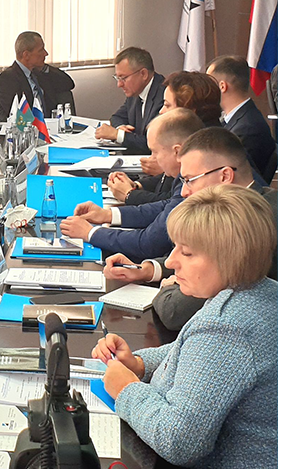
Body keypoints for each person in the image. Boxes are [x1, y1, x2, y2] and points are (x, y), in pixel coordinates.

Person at [92, 185, 277, 469]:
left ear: (230, 257)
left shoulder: (226, 327)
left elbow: (178, 441)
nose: (170, 262)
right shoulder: (264, 292)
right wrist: (139, 364)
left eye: (187, 253)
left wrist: (126, 389)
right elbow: (193, 351)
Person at [103, 127, 278, 331]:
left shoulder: (243, 225)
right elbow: (197, 255)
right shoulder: (266, 200)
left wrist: (167, 288)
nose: (185, 191)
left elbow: (174, 310)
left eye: (190, 180)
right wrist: (148, 270)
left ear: (225, 176)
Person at [60, 109, 202, 263]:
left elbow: (148, 243)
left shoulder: (192, 182)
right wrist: (108, 215)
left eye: (155, 152)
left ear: (177, 151)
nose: (152, 158)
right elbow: (164, 207)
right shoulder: (183, 177)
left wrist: (90, 233)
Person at [106, 71, 222, 205]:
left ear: (188, 110)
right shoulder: (198, 136)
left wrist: (130, 195)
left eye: (167, 105)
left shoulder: (205, 150)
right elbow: (164, 180)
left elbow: (173, 201)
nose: (161, 111)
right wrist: (137, 185)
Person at [208, 55, 276, 180]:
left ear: (222, 86)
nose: (207, 89)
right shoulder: (237, 119)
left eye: (210, 83)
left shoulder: (247, 128)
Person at [0, 31, 76, 121]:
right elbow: (19, 114)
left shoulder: (39, 73)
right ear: (26, 55)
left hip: (49, 125)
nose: (46, 53)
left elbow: (68, 84)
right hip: (26, 127)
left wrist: (45, 68)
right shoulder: (7, 79)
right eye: (41, 50)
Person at [94, 47, 164, 154]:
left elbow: (155, 143)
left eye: (124, 78)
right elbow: (117, 117)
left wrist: (117, 135)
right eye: (118, 78)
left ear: (143, 74)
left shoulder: (164, 96)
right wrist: (120, 128)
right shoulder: (136, 91)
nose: (119, 84)